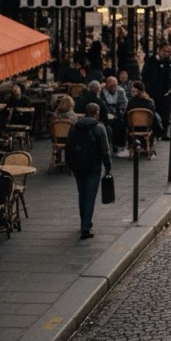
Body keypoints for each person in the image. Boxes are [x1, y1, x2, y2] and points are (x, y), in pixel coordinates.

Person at [64, 103, 112, 240]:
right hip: (93, 166)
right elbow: (105, 150)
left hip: (78, 165)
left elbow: (68, 146)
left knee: (82, 194)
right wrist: (108, 167)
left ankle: (84, 222)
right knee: (90, 196)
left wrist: (69, 164)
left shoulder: (75, 127)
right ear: (96, 112)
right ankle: (86, 227)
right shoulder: (99, 128)